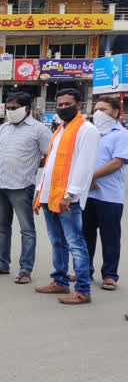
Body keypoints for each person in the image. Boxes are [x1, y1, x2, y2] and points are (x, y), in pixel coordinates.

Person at [34, 89, 100, 305]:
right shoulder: (61, 129)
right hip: (49, 195)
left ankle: (82, 290)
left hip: (67, 198)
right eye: (60, 104)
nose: (63, 108)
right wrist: (39, 193)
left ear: (79, 105)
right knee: (57, 242)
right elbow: (50, 165)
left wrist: (70, 194)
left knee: (75, 243)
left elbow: (84, 166)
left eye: (67, 104)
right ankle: (60, 280)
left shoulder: (87, 130)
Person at [0, 92, 51, 285]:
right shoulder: (3, 129)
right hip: (0, 185)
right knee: (2, 227)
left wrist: (33, 164)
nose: (10, 111)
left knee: (27, 230)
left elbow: (50, 156)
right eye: (8, 108)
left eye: (14, 108)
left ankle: (26, 269)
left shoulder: (39, 130)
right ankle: (3, 263)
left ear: (27, 108)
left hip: (22, 186)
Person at [83, 96, 128, 291]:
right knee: (85, 236)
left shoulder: (121, 134)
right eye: (96, 109)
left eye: (104, 110)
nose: (99, 113)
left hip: (109, 195)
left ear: (117, 112)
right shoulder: (90, 133)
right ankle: (85, 270)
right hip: (87, 194)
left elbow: (117, 162)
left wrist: (91, 176)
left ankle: (110, 275)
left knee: (110, 237)